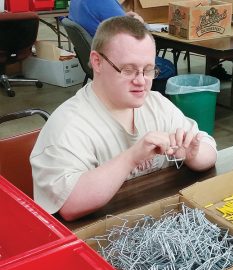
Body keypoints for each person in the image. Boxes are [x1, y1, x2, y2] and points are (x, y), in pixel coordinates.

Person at [30, 16, 217, 221]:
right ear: (97, 62)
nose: (141, 82)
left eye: (148, 70)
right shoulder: (68, 126)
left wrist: (192, 154)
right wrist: (131, 158)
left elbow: (209, 150)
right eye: (128, 70)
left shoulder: (156, 104)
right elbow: (68, 205)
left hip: (156, 220)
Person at [68, 0, 176, 84]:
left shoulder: (75, 1)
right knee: (167, 67)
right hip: (115, 61)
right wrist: (139, 22)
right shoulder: (102, 1)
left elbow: (116, 21)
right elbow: (133, 32)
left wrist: (124, 18)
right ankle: (151, 106)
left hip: (99, 57)